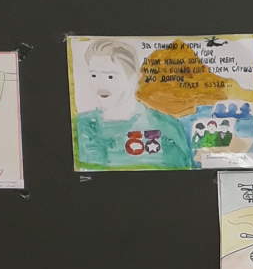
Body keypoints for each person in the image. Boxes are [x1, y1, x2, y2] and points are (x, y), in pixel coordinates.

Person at [73, 38, 190, 170]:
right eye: (93, 75)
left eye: (110, 77)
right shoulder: (80, 126)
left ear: (134, 78)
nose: (100, 85)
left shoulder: (166, 126)